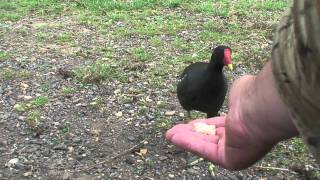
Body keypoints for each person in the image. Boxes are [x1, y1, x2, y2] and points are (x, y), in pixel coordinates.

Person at [166, 0, 320, 170]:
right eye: (226, 59)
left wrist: (252, 112)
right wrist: (251, 115)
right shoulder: (191, 74)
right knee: (191, 106)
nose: (229, 63)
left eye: (229, 60)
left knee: (211, 114)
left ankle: (198, 135)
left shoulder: (222, 83)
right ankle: (189, 121)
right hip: (193, 90)